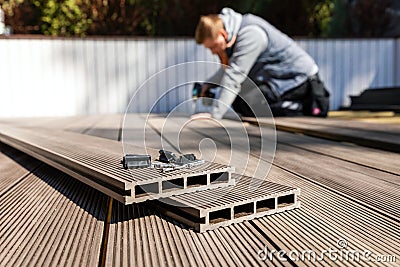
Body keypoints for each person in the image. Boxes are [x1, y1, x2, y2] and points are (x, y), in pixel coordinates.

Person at [194, 8, 330, 119]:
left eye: (213, 47)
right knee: (241, 102)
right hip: (277, 79)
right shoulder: (235, 32)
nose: (212, 52)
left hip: (298, 79)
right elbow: (229, 69)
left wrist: (214, 116)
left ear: (223, 34)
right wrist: (209, 84)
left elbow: (234, 77)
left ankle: (304, 107)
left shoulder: (251, 34)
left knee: (251, 104)